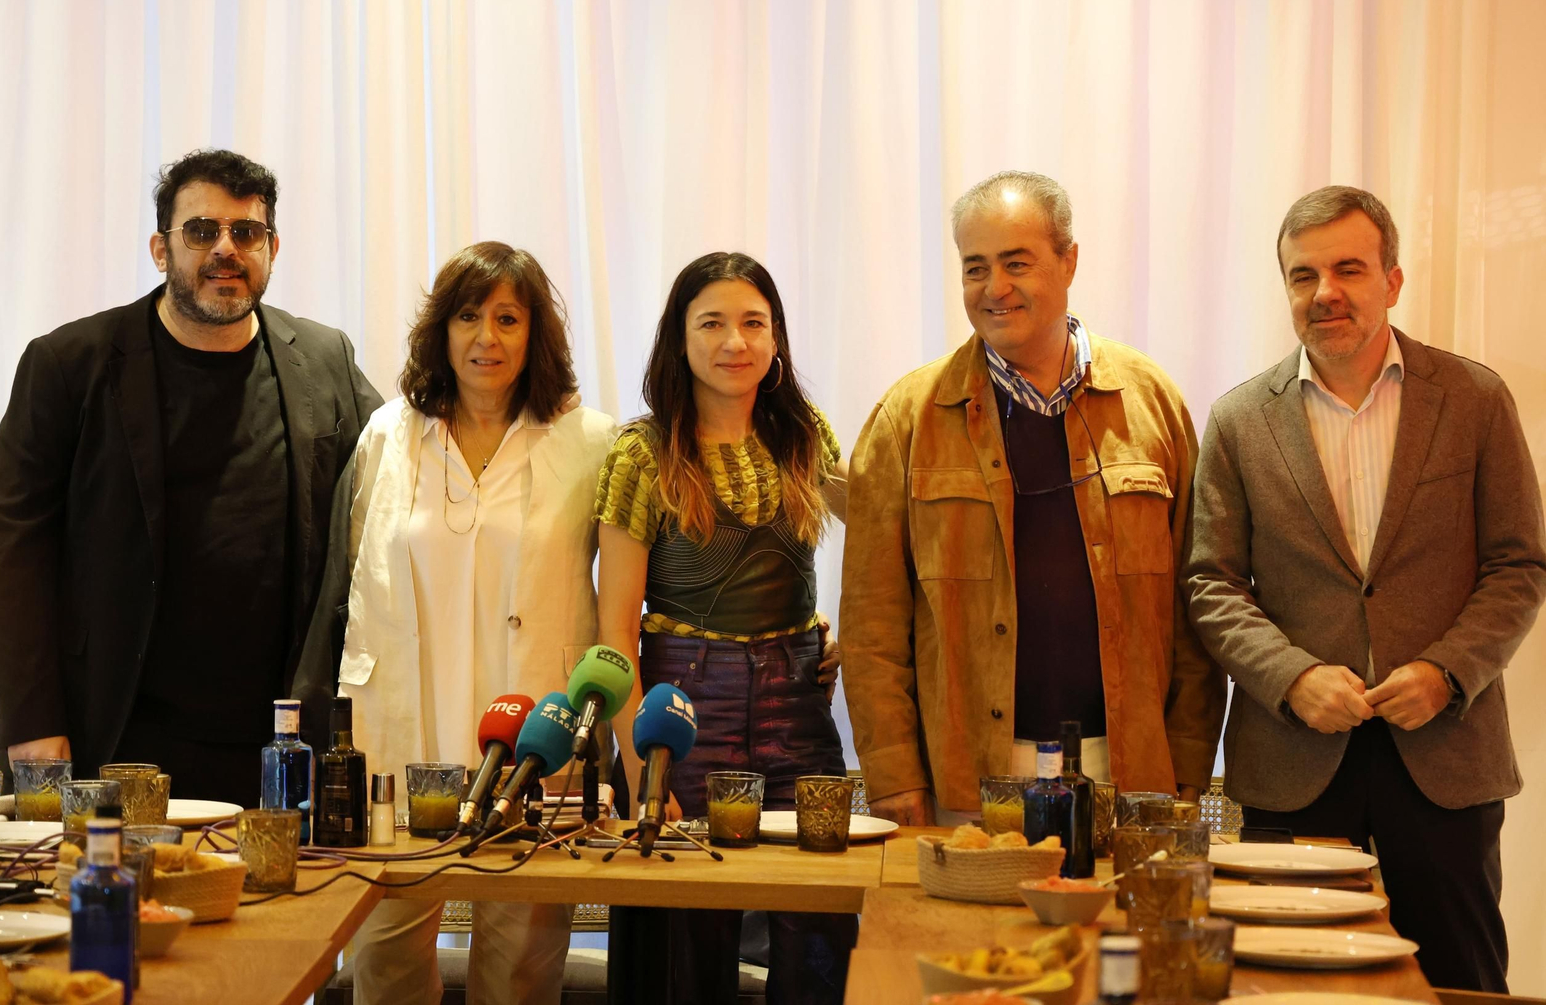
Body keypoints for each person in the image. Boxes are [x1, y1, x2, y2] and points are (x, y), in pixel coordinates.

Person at [1184, 185, 1546, 992]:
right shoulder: (1240, 420)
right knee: (1287, 987)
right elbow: (1211, 582)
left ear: (1393, 280)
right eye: (1303, 275)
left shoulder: (1475, 399)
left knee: (1458, 982)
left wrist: (1448, 671)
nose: (1326, 293)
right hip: (1294, 758)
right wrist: (1292, 678)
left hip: (1445, 753)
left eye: (1348, 269)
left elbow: (1519, 565)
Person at [0, 148, 381, 804]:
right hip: (110, 733)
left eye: (246, 232)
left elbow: (391, 481)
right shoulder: (68, 365)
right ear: (160, 250)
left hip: (277, 745)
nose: (226, 249)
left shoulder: (324, 359)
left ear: (272, 248)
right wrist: (32, 720)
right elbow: (15, 549)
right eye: (201, 231)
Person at [841, 170, 1226, 826]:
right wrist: (893, 776)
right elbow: (870, 625)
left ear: (1068, 261)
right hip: (965, 779)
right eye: (975, 268)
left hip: (1131, 774)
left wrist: (1188, 766)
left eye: (1016, 263)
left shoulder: (1152, 402)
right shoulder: (907, 417)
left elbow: (1193, 609)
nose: (994, 287)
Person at [291, 242, 614, 1005]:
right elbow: (346, 581)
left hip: (535, 740)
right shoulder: (388, 434)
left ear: (536, 335)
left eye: (508, 319)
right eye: (468, 317)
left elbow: (635, 583)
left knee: (522, 969)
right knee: (385, 962)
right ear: (441, 330)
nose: (486, 338)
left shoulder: (591, 441)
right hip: (400, 739)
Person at [596, 252, 852, 1004]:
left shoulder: (806, 435)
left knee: (818, 926)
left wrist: (846, 633)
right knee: (686, 939)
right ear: (679, 341)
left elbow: (886, 544)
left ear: (776, 340)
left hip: (797, 708)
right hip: (681, 712)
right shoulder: (641, 453)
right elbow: (615, 634)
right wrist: (642, 771)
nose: (734, 341)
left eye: (753, 323)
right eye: (711, 323)